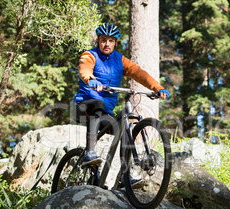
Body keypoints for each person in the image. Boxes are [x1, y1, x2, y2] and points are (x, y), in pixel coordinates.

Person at [73, 23, 170, 167]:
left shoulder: (120, 60)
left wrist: (157, 88)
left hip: (104, 113)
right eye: (104, 40)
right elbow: (84, 69)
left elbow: (139, 74)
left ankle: (125, 175)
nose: (107, 44)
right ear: (98, 41)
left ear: (115, 43)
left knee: (124, 129)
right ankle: (89, 152)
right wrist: (91, 79)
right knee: (98, 103)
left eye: (111, 41)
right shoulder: (90, 55)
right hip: (83, 108)